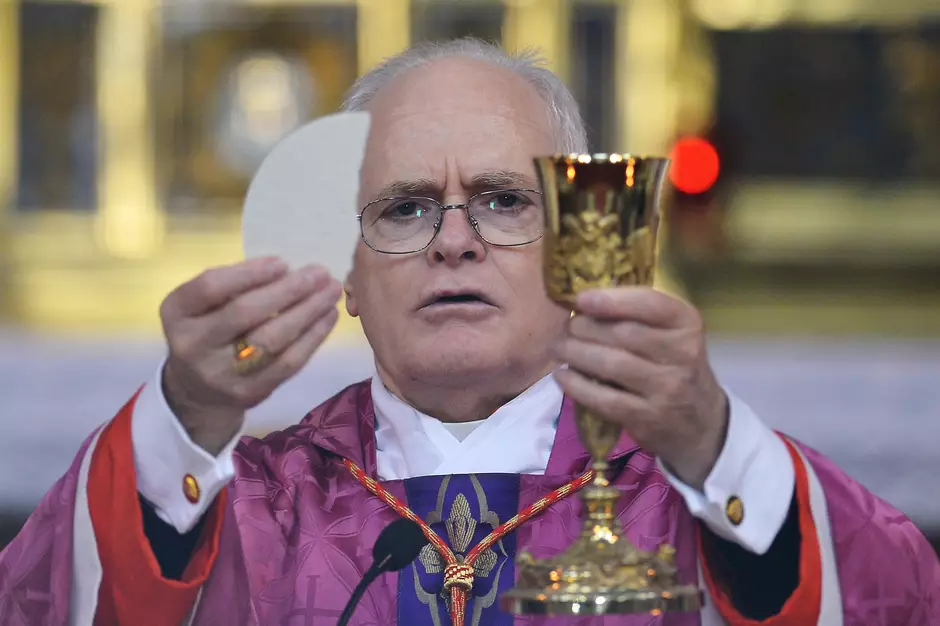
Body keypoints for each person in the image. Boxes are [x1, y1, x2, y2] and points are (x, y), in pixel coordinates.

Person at [1, 38, 937, 626]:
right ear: (348, 274)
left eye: (501, 200)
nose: (455, 241)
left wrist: (716, 446)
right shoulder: (239, 513)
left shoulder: (697, 498)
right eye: (405, 209)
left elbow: (898, 599)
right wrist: (184, 413)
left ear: (577, 244)